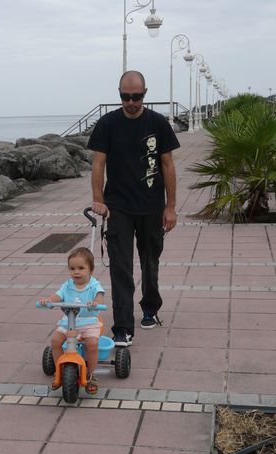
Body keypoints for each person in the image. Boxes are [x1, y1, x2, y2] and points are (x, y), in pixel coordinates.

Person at [88, 70, 180, 347]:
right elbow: (98, 164)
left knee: (150, 264)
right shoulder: (107, 124)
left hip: (152, 207)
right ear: (119, 95)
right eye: (125, 97)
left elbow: (167, 165)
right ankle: (123, 327)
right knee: (120, 268)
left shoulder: (158, 123)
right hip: (118, 208)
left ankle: (150, 307)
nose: (131, 102)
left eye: (136, 97)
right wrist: (98, 200)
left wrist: (171, 207)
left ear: (145, 93)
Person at [39, 247, 105, 394]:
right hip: (69, 321)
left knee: (92, 344)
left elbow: (99, 297)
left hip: (89, 321)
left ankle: (91, 374)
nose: (76, 272)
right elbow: (57, 296)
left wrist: (95, 302)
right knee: (55, 340)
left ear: (91, 269)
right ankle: (59, 371)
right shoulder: (67, 285)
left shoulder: (94, 285)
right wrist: (49, 301)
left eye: (81, 268)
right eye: (72, 268)